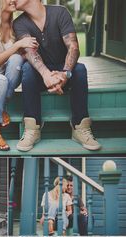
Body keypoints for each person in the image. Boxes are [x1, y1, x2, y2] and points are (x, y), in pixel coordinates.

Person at [13, 0, 101, 152]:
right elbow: (30, 52)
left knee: (80, 70)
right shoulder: (19, 23)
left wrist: (64, 74)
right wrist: (47, 75)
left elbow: (73, 47)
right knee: (27, 68)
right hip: (40, 75)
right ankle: (32, 128)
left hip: (64, 71)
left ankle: (80, 127)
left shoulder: (60, 12)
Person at [0, 0, 38, 151]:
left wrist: (28, 50)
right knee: (0, 80)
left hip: (6, 79)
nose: (13, 0)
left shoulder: (15, 26)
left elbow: (18, 58)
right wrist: (18, 45)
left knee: (16, 59)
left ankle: (1, 106)